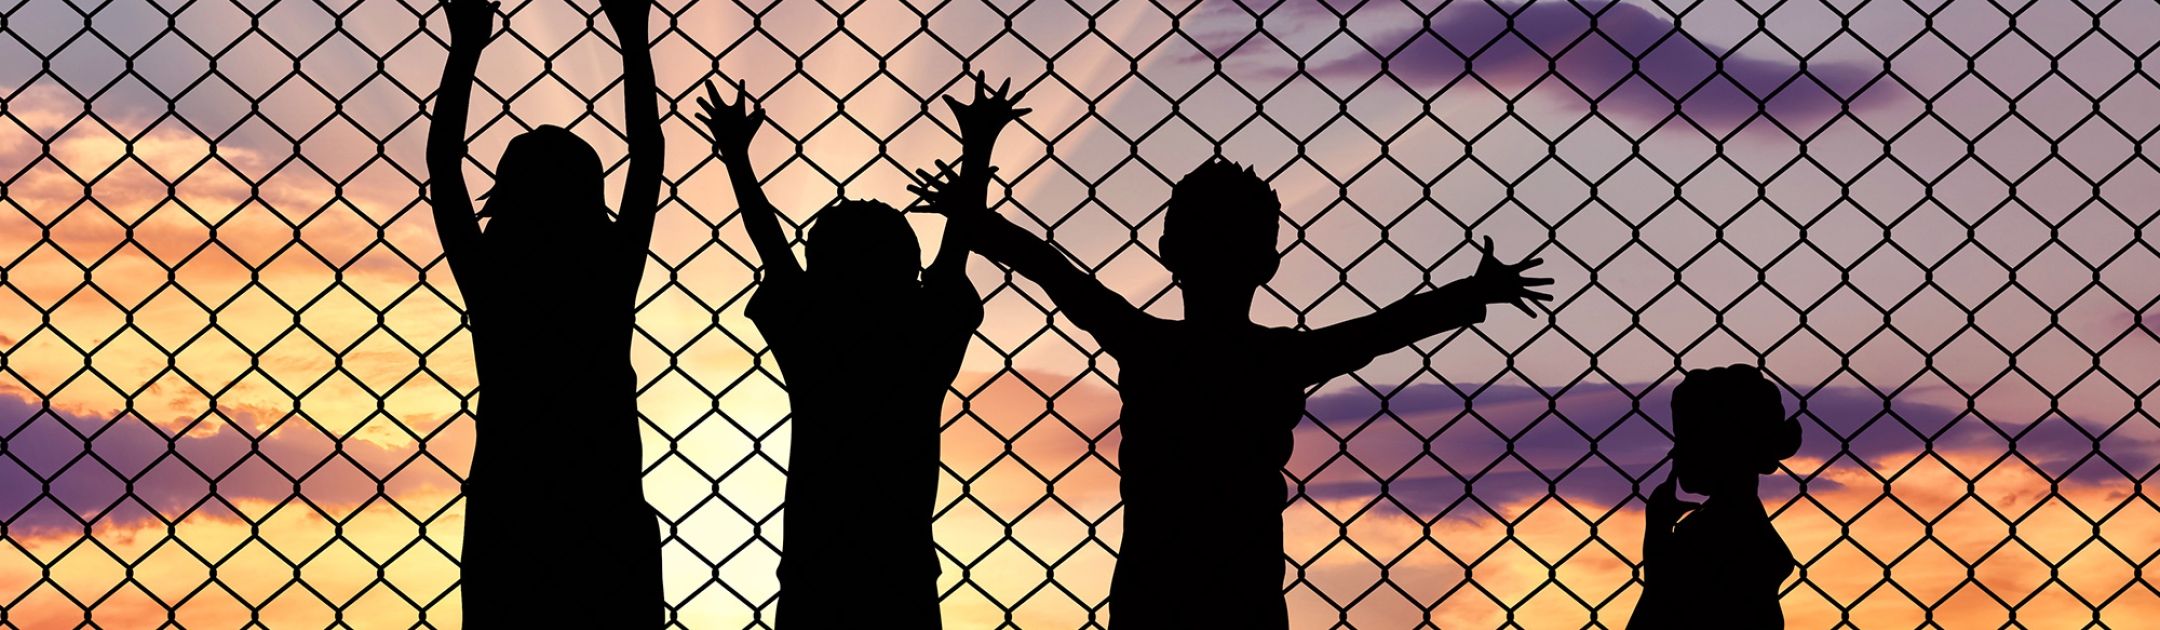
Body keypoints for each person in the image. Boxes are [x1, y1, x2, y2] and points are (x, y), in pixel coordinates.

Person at [915, 97, 1555, 628]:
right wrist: (1474, 293)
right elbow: (1381, 331)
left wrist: (974, 179)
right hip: (1243, 594)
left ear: (1166, 251)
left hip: (1152, 590)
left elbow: (1052, 271)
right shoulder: (1276, 359)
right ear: (1270, 264)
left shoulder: (1149, 345)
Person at [697, 75, 1016, 627]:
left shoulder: (813, 333)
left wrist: (735, 158)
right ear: (910, 271)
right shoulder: (922, 336)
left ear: (820, 272)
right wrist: (979, 146)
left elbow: (768, 242)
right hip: (904, 575)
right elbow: (957, 247)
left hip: (813, 573)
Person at [427, 0, 664, 623]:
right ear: (592, 196)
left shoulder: (493, 279)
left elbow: (442, 168)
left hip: (511, 509)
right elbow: (648, 160)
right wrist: (633, 36)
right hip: (606, 505)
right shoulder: (608, 272)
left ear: (505, 195)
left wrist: (467, 49)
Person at [1628, 365, 1801, 629]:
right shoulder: (1740, 518)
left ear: (1721, 449)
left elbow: (1653, 616)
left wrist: (1657, 547)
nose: (1673, 454)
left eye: (1687, 442)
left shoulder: (1710, 532)